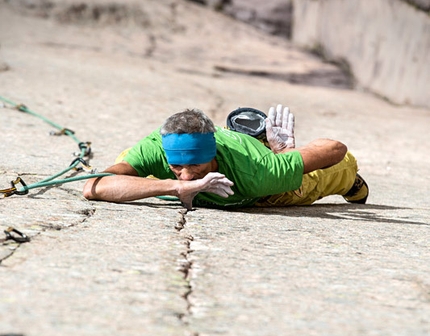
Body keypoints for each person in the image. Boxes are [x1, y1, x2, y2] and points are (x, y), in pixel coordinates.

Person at [83, 104, 369, 210]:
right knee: (126, 162)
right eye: (176, 166)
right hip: (242, 157)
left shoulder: (260, 173)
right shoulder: (156, 149)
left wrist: (286, 155)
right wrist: (176, 187)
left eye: (195, 166)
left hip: (257, 178)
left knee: (304, 183)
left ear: (212, 156)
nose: (184, 174)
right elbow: (94, 186)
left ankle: (350, 184)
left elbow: (336, 149)